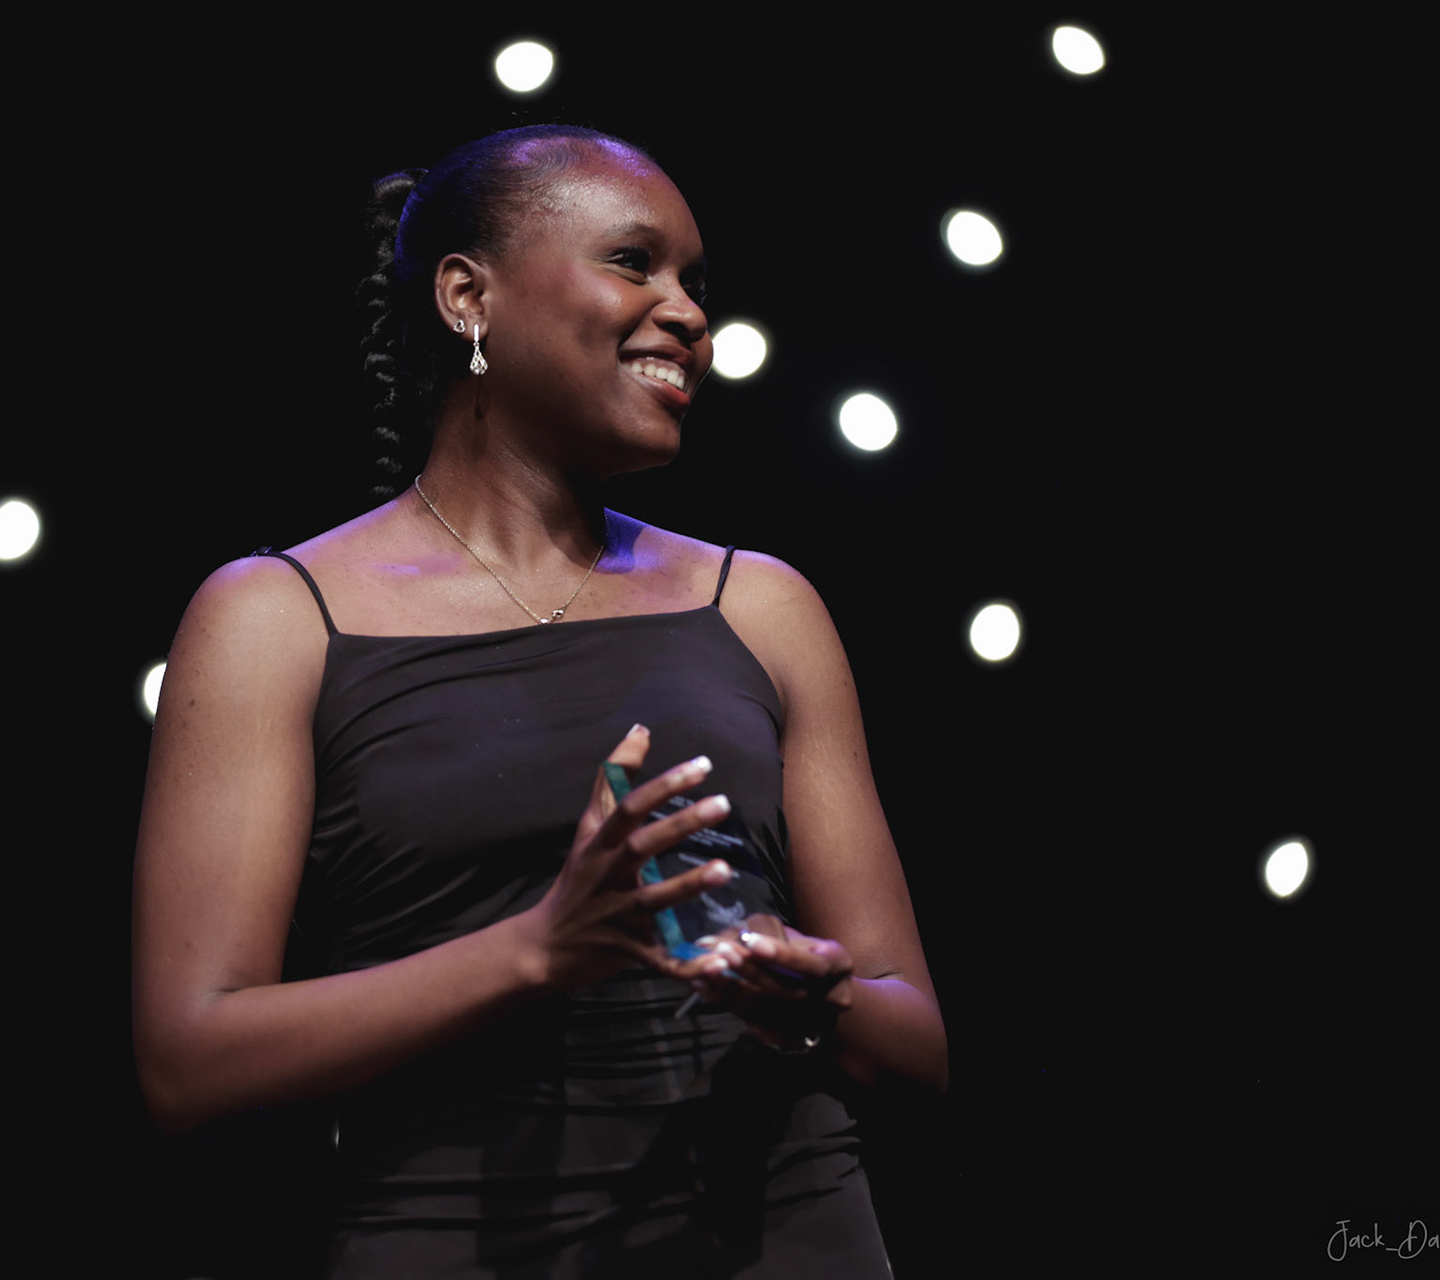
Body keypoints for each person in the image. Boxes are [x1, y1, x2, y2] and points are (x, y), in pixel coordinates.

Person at [131, 125, 947, 1277]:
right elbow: (191, 1061)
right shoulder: (274, 618)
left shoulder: (762, 605)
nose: (687, 314)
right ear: (469, 297)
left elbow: (916, 1040)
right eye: (635, 262)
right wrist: (535, 949)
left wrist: (815, 992)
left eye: (695, 283)